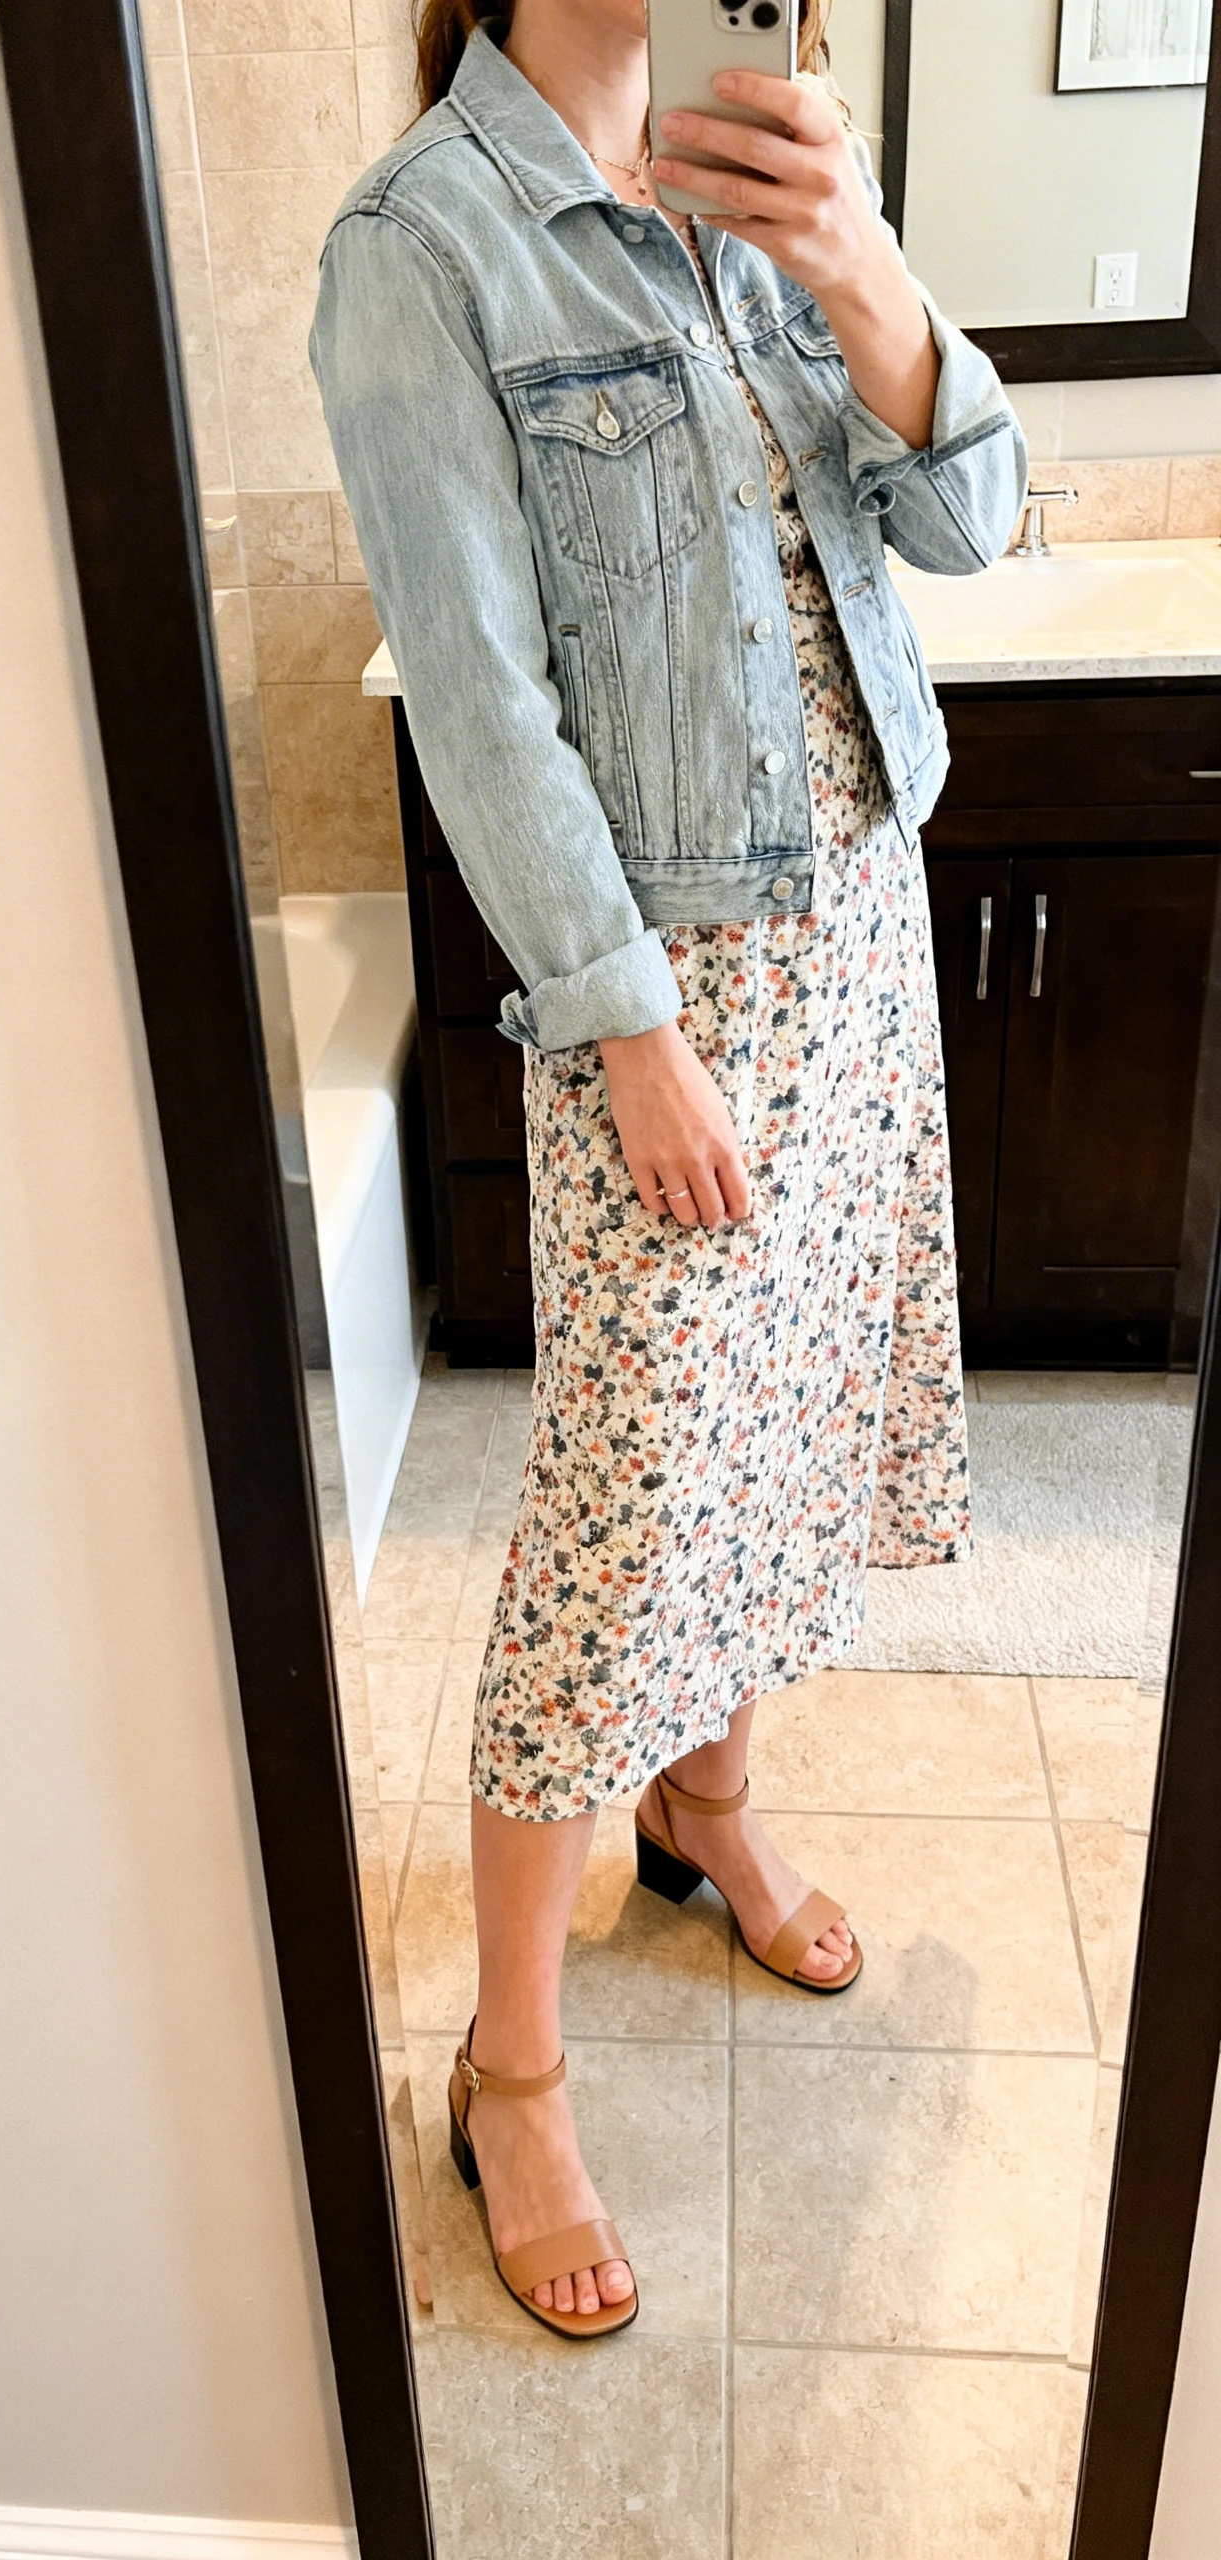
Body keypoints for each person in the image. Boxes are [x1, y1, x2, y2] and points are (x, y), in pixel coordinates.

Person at [310, 0, 1027, 2340]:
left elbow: (972, 522)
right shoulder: (428, 244)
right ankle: (510, 2063)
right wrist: (626, 1031)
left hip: (869, 945)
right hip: (673, 1001)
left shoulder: (768, 179)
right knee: (621, 1517)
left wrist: (872, 279)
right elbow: (481, 690)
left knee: (788, 1440)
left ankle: (704, 1808)